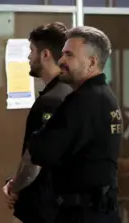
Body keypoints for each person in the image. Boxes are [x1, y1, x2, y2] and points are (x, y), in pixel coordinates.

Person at [28, 26, 122, 223]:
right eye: (62, 53)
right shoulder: (106, 96)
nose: (61, 60)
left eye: (69, 55)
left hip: (82, 214)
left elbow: (41, 151)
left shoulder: (83, 101)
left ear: (91, 63)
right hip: (101, 210)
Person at [2, 22, 72, 223]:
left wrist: (14, 187)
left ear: (45, 55)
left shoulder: (51, 100)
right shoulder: (67, 92)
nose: (28, 57)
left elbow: (35, 159)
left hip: (45, 207)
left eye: (31, 51)